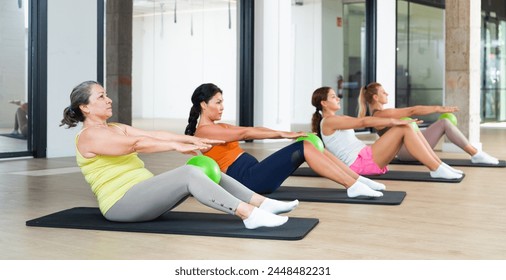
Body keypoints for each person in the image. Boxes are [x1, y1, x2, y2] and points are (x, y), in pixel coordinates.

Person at [60, 80, 299, 230]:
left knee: (203, 164)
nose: (109, 99)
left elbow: (154, 134)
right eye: (101, 96)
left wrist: (190, 139)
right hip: (121, 204)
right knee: (188, 173)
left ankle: (263, 203)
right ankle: (248, 215)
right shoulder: (89, 136)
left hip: (144, 193)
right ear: (85, 107)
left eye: (106, 94)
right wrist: (176, 147)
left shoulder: (115, 127)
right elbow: (136, 144)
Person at [184, 83, 387, 198]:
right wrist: (283, 135)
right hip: (249, 181)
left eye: (223, 102)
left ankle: (356, 180)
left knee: (307, 144)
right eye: (217, 102)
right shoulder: (205, 132)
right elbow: (245, 135)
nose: (222, 107)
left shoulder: (220, 126)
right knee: (303, 146)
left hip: (256, 175)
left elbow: (251, 129)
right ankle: (352, 185)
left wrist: (282, 132)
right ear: (203, 104)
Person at [311, 86, 463, 179]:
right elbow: (363, 122)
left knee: (407, 126)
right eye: (333, 97)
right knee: (404, 126)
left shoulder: (336, 119)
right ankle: (437, 168)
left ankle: (439, 165)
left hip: (365, 155)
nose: (337, 98)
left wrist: (400, 121)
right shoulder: (329, 121)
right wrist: (395, 121)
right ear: (324, 103)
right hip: (359, 164)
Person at [358, 82, 499, 165]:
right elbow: (412, 110)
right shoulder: (381, 114)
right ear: (375, 97)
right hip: (406, 152)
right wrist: (438, 108)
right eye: (383, 92)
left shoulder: (380, 113)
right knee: (444, 123)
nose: (387, 94)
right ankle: (475, 154)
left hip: (408, 148)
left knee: (443, 122)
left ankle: (475, 154)